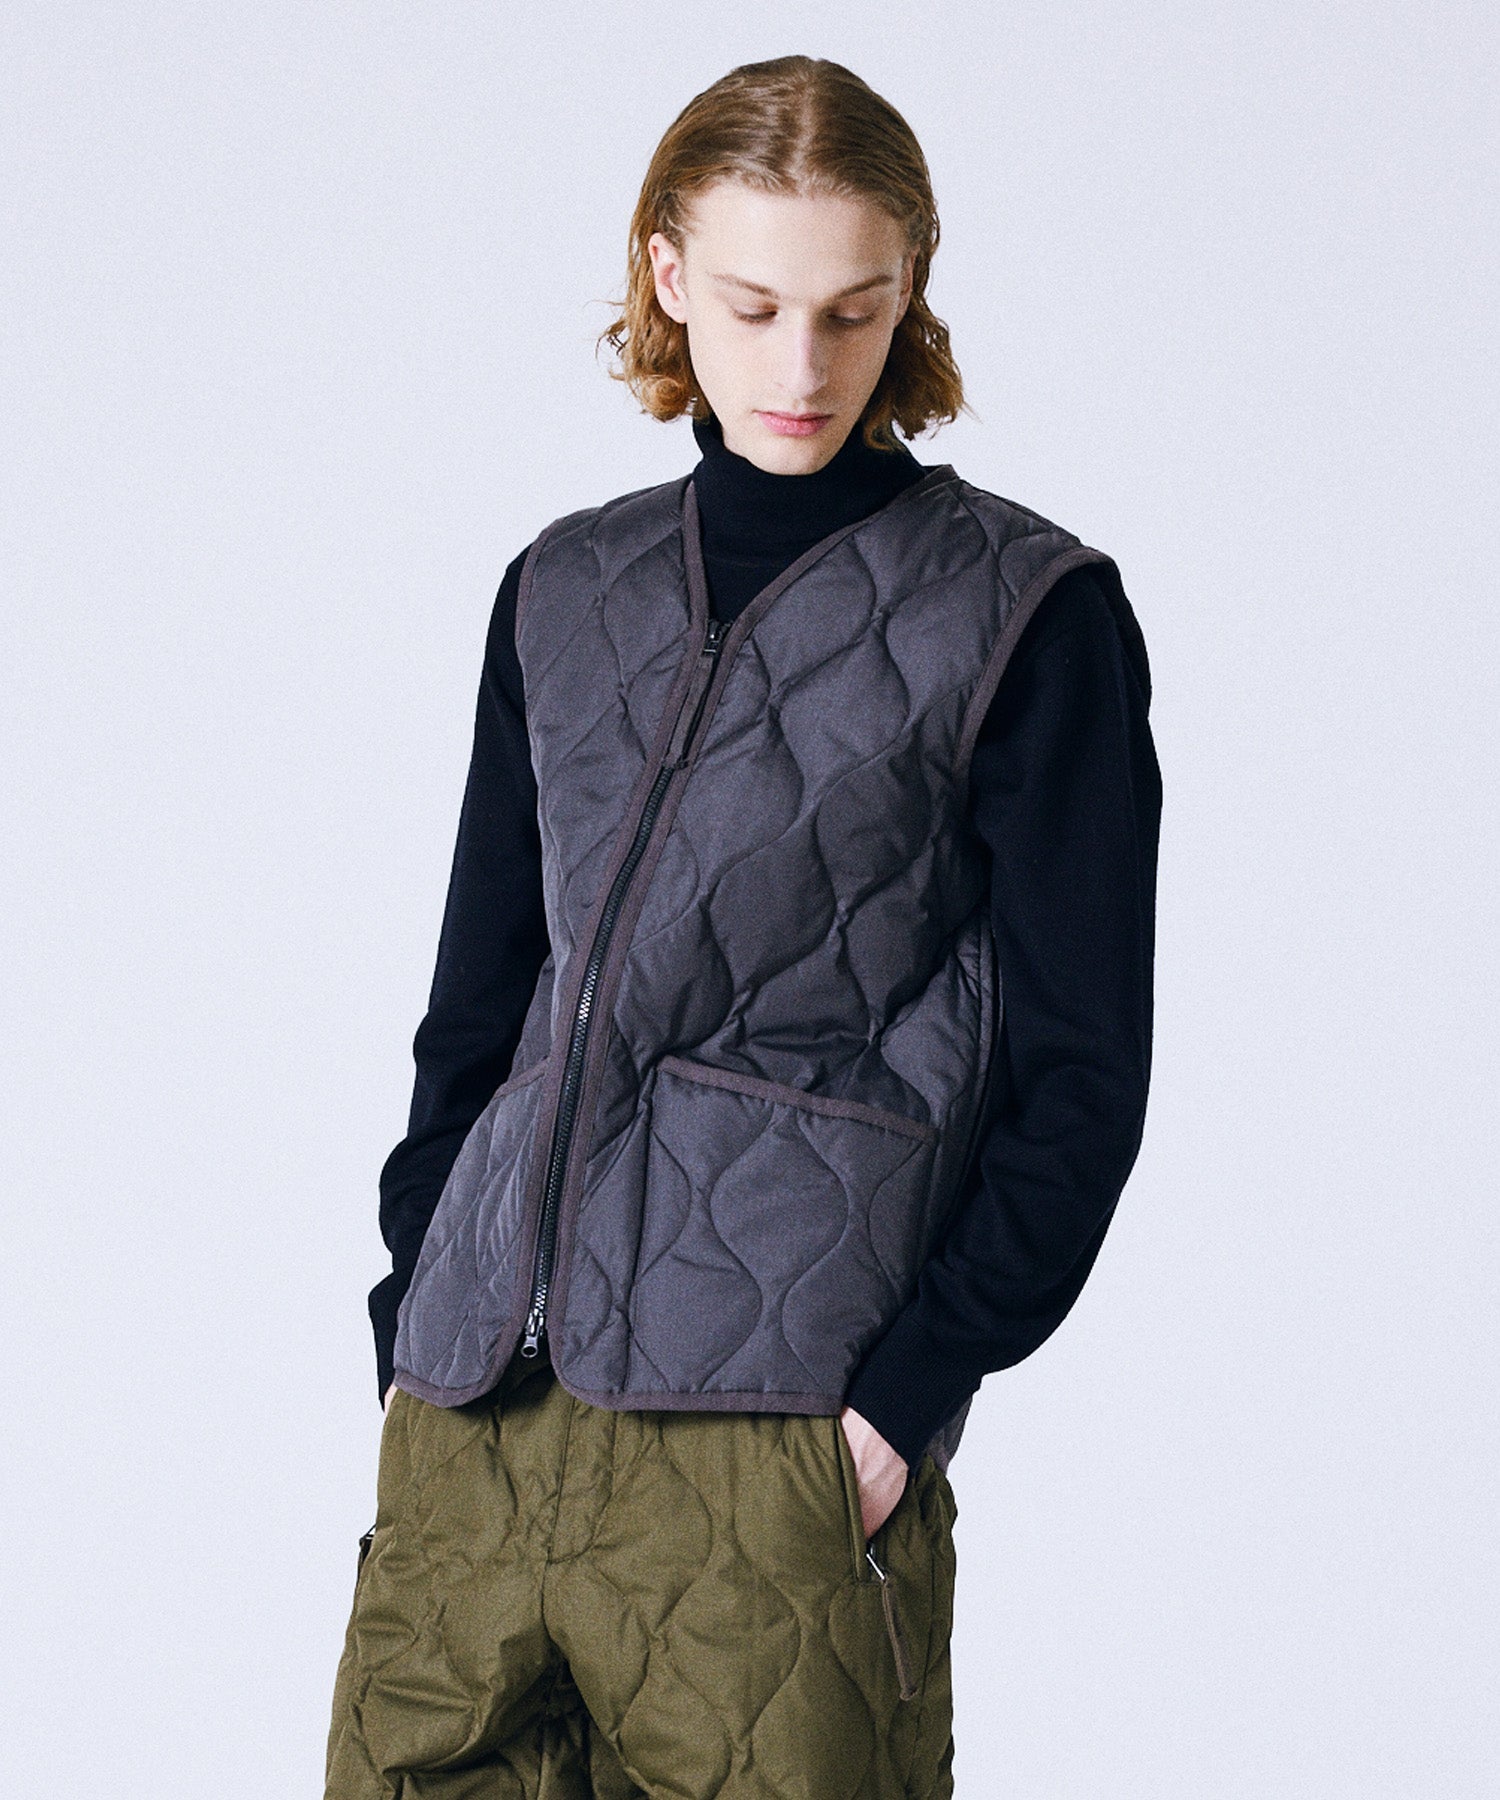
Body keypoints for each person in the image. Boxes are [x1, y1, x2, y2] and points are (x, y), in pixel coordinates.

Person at [325, 53, 1160, 1800]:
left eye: (853, 310)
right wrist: (416, 1309)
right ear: (666, 273)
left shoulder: (1027, 615)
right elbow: (478, 1006)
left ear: (910, 288)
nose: (801, 368)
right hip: (472, 1435)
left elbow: (1082, 1078)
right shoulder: (563, 589)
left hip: (772, 1455)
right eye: (756, 305)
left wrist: (900, 1401)